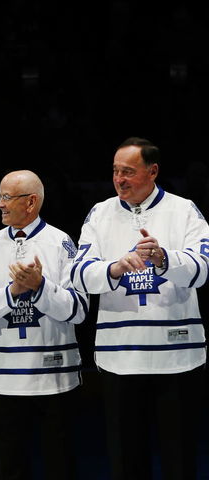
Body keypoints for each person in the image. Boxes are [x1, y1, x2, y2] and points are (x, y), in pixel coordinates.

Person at [71, 137, 209, 479]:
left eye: (128, 172)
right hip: (120, 358)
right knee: (126, 462)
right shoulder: (99, 213)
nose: (119, 179)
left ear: (153, 171)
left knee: (180, 460)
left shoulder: (184, 210)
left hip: (177, 357)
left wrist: (163, 258)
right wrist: (115, 268)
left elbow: (202, 270)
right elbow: (79, 275)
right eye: (115, 171)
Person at [0, 170, 87, 479]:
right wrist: (12, 292)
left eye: (6, 197)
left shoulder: (61, 242)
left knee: (61, 467)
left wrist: (41, 287)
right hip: (4, 382)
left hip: (55, 379)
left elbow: (79, 309)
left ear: (31, 202)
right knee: (11, 468)